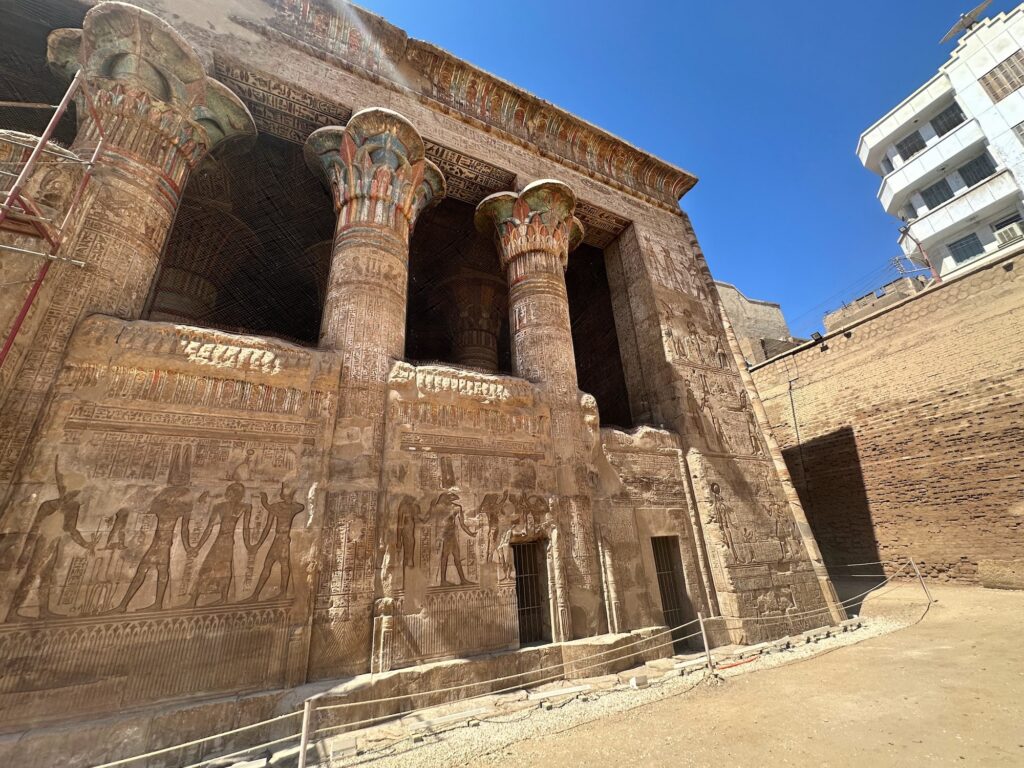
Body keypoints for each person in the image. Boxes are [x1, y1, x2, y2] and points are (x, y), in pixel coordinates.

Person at [6, 458, 93, 621]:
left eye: (76, 492)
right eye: (75, 491)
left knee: (47, 576)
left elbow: (70, 529)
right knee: (31, 575)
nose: (74, 494)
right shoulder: (50, 505)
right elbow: (35, 530)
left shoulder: (71, 506)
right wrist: (25, 552)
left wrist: (87, 544)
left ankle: (43, 611)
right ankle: (12, 612)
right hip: (43, 544)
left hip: (54, 543)